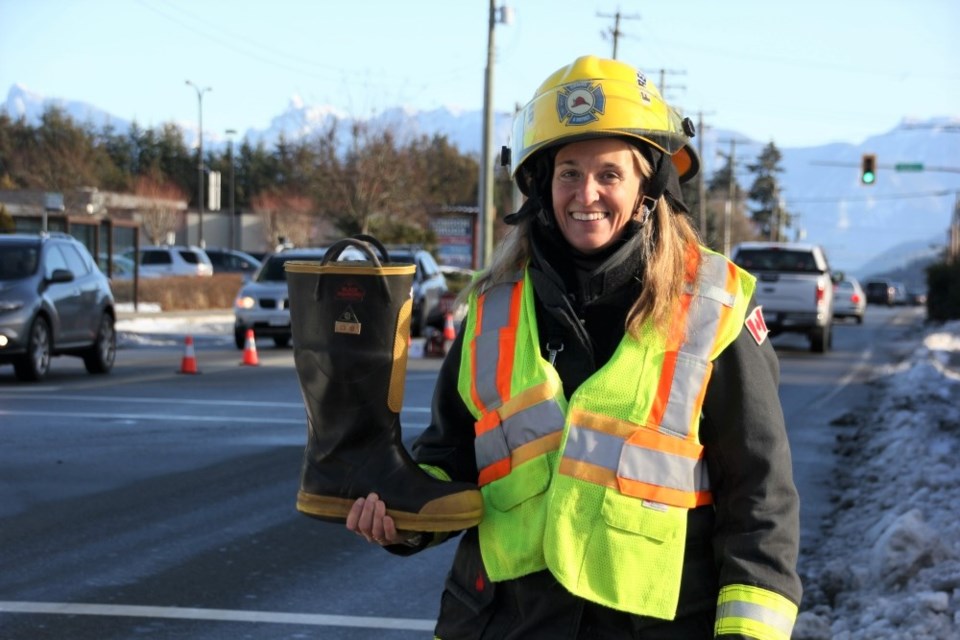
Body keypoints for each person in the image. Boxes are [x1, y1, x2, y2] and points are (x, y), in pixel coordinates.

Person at [347, 55, 802, 640]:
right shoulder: (493, 311)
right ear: (541, 186)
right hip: (508, 625)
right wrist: (401, 516)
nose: (586, 193)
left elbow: (760, 504)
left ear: (649, 186)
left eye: (609, 173)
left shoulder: (712, 310)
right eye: (568, 172)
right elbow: (450, 460)